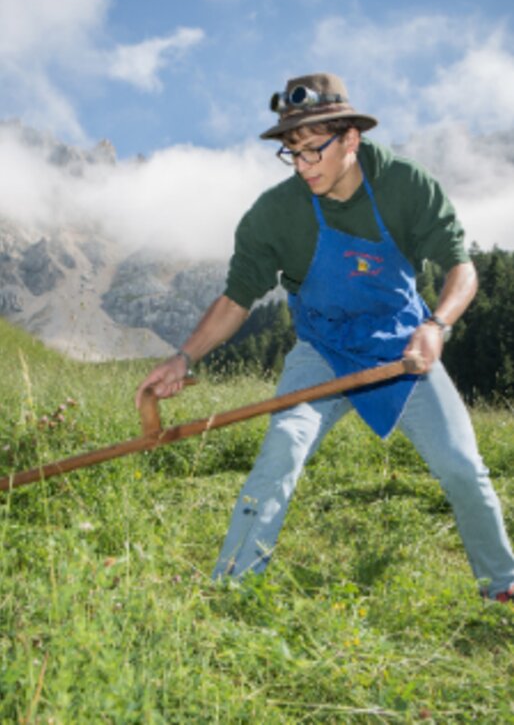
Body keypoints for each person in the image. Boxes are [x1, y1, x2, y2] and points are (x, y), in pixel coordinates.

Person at [136, 73, 514, 602]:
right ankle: (232, 589)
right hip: (323, 352)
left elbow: (463, 270)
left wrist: (437, 326)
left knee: (461, 465)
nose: (304, 166)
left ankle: (501, 586)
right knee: (280, 452)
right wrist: (183, 357)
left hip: (403, 348)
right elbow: (235, 300)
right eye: (293, 154)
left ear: (351, 140)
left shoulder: (406, 185)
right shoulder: (275, 215)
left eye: (315, 151)